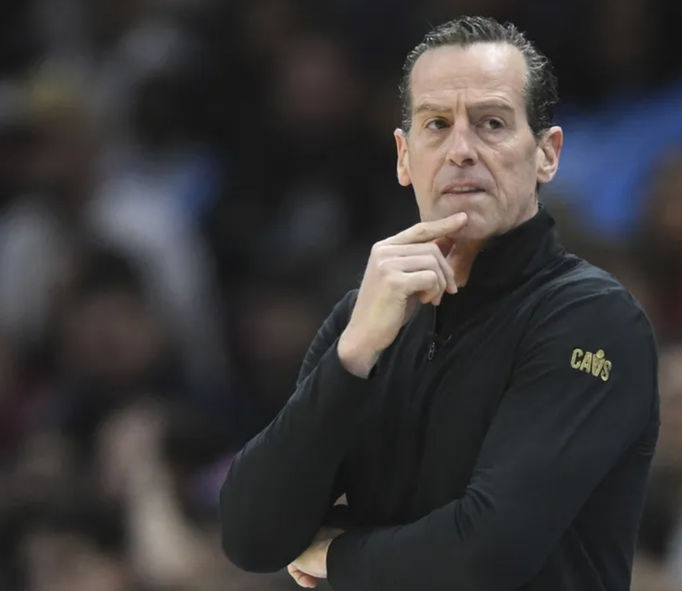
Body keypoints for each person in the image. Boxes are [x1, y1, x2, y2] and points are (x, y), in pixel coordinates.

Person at [219, 16, 659, 591]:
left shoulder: (594, 319)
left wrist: (333, 555)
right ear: (404, 157)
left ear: (547, 155)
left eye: (492, 123)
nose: (461, 151)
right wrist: (351, 357)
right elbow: (250, 537)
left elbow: (487, 554)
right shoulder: (367, 318)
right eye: (436, 125)